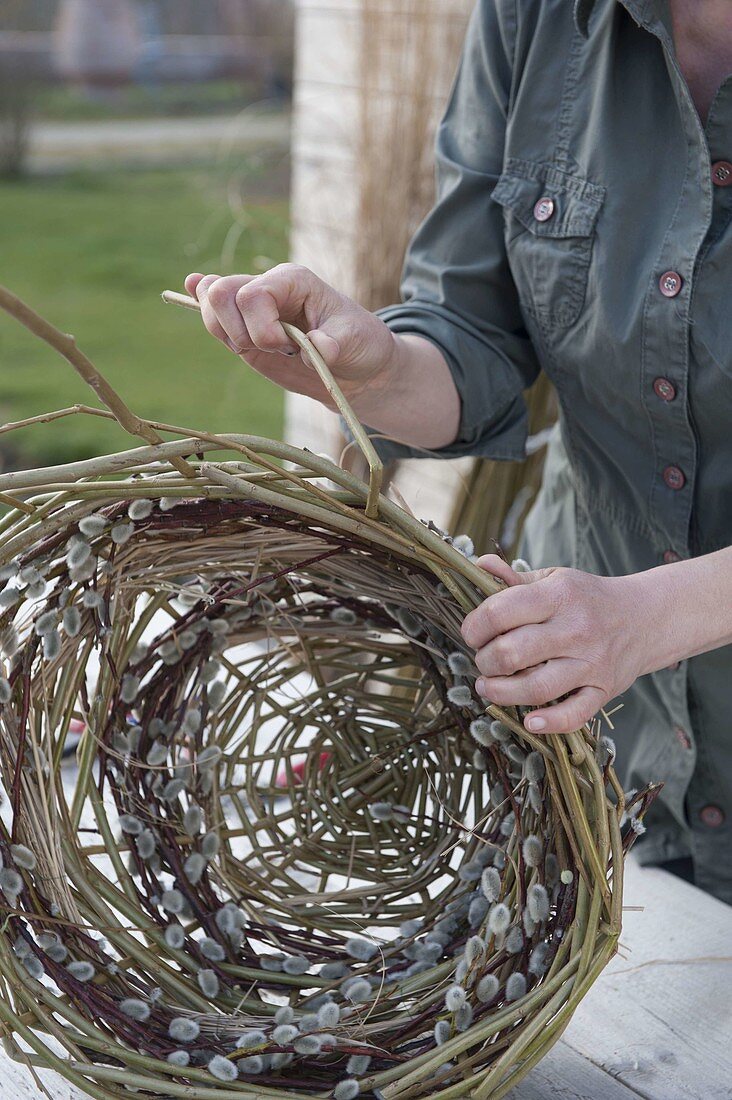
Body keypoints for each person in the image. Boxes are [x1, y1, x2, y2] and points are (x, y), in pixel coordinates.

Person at [183, 0, 732, 905]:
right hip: (606, 757)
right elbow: (474, 331)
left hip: (613, 654)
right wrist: (371, 367)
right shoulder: (537, 18)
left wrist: (654, 616)